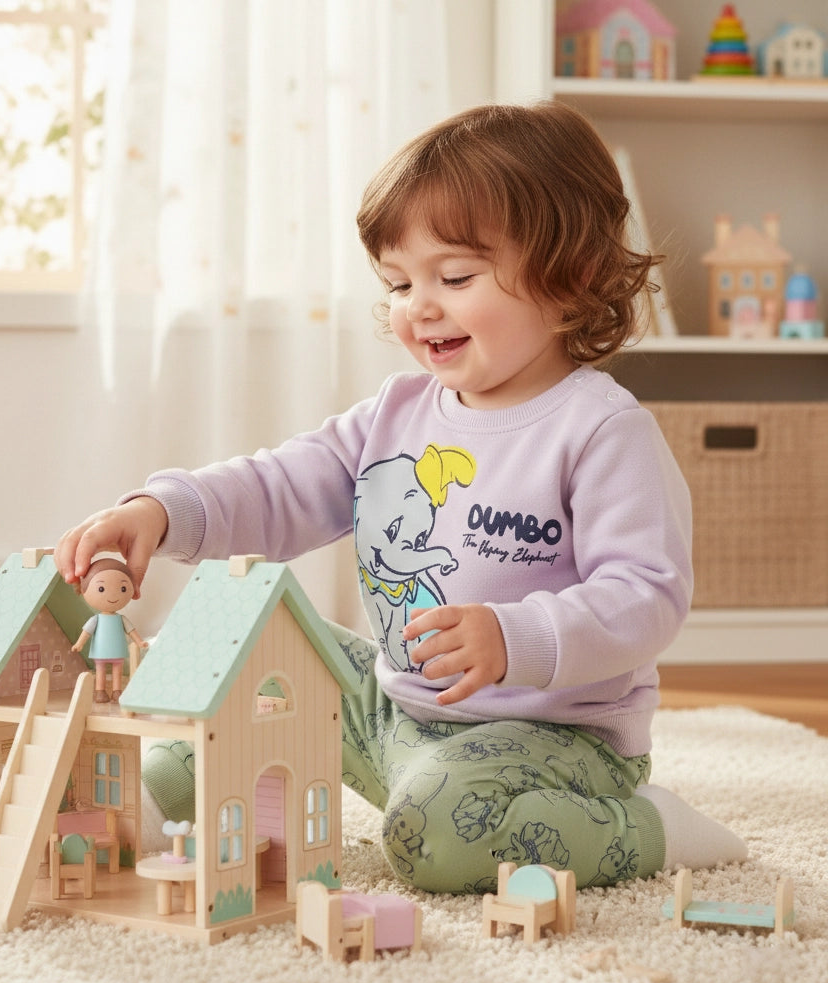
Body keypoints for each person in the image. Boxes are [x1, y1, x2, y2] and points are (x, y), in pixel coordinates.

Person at [55, 101, 747, 893]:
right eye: (398, 282)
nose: (418, 304)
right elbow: (280, 484)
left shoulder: (601, 430)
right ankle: (133, 820)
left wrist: (514, 636)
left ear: (574, 277)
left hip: (552, 742)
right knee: (242, 668)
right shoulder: (396, 412)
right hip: (394, 711)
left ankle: (652, 828)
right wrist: (162, 511)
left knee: (430, 841)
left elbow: (646, 597)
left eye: (454, 277)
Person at [70, 557, 149, 703]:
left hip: (117, 650)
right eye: (101, 589)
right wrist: (79, 644)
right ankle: (100, 691)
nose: (112, 596)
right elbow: (86, 632)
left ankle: (116, 691)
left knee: (117, 671)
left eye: (123, 588)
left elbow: (131, 630)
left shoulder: (121, 619)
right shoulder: (96, 619)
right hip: (101, 650)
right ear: (83, 589)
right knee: (100, 671)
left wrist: (140, 642)